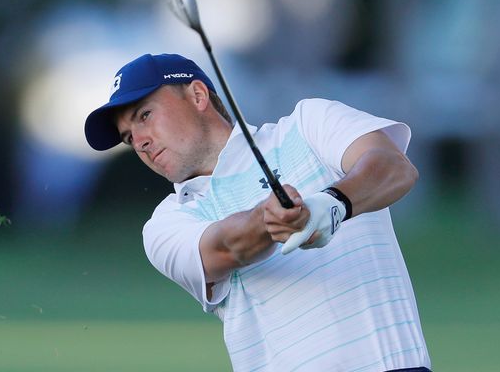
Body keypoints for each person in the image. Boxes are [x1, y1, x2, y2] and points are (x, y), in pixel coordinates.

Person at [84, 53, 431, 372]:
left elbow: (394, 167)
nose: (140, 141)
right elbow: (228, 246)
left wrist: (331, 203)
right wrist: (272, 219)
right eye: (129, 137)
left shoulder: (309, 124)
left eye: (145, 116)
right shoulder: (166, 224)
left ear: (198, 96)